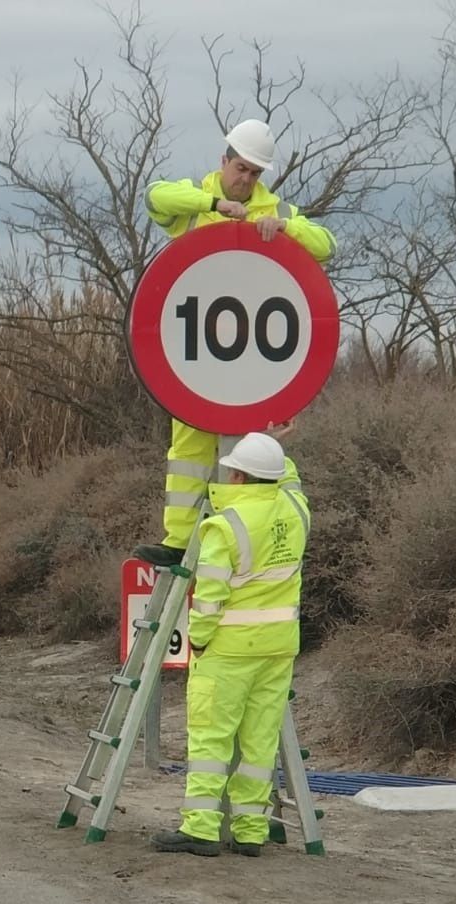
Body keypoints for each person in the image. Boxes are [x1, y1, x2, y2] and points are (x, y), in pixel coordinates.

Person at [134, 118, 334, 569]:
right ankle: (178, 542)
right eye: (240, 168)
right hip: (196, 352)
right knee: (187, 452)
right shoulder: (195, 198)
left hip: (254, 357)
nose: (246, 179)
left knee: (243, 456)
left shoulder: (276, 211)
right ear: (224, 161)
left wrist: (285, 231)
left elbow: (326, 245)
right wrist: (215, 204)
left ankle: (233, 546)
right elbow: (153, 196)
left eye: (255, 173)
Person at [151, 431, 310, 858]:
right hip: (279, 649)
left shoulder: (225, 526)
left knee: (210, 741)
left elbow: (208, 598)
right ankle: (250, 832)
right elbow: (289, 478)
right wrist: (272, 426)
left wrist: (198, 643)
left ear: (237, 475)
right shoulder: (296, 510)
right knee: (259, 744)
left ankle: (201, 829)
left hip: (228, 649)